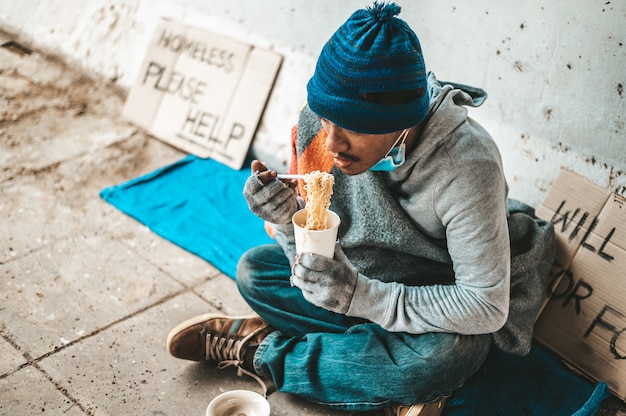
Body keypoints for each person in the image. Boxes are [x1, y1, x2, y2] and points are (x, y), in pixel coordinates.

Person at [166, 2, 555, 415]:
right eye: (327, 119)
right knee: (255, 273)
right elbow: (312, 249)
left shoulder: (467, 167)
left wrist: (360, 297)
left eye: (352, 125)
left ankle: (263, 349)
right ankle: (369, 375)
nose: (332, 144)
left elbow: (484, 306)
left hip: (437, 290)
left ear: (405, 120)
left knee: (439, 359)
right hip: (360, 272)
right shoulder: (319, 127)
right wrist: (285, 219)